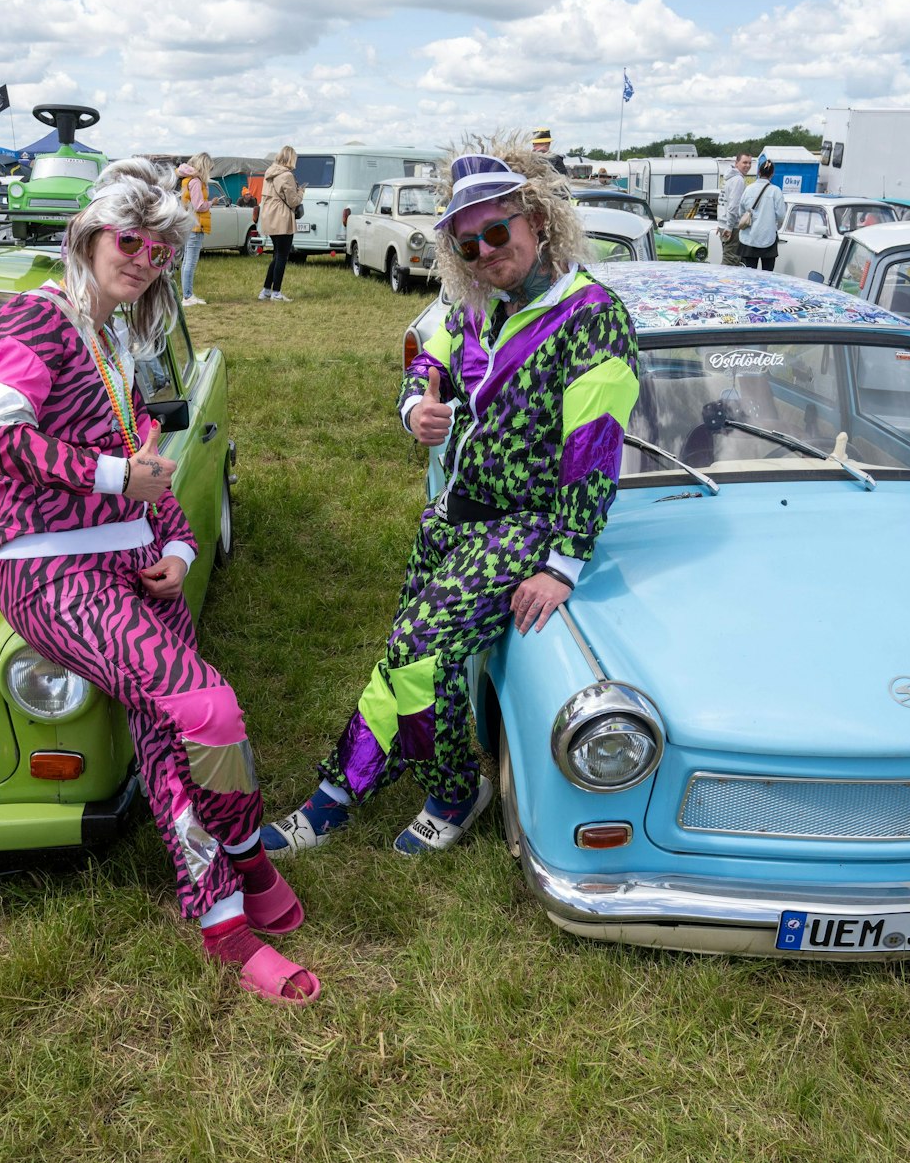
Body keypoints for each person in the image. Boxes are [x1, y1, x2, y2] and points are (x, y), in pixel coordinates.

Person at [0, 158, 320, 1004]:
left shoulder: (119, 339)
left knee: (168, 737)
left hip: (130, 565)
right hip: (50, 572)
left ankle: (222, 919)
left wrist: (183, 550)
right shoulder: (35, 322)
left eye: (159, 250)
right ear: (89, 236)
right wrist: (118, 478)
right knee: (209, 711)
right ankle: (248, 857)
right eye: (130, 241)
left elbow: (152, 475)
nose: (144, 260)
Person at [262, 137, 640, 857]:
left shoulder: (591, 315)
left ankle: (445, 787)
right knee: (400, 658)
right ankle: (338, 792)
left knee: (418, 655)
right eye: (468, 245)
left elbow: (593, 452)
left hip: (520, 527)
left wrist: (562, 562)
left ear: (536, 222)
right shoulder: (474, 306)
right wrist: (416, 412)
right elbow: (424, 370)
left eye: (498, 232)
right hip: (452, 520)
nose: (487, 252)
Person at [258, 145, 302, 302]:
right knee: (282, 256)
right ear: (291, 158)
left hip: (270, 218)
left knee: (277, 256)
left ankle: (266, 291)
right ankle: (276, 292)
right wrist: (301, 192)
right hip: (282, 219)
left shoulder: (269, 173)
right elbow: (293, 201)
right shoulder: (287, 175)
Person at [735, 158, 786, 271]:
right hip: (768, 237)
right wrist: (774, 225)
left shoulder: (748, 189)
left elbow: (740, 211)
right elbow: (781, 215)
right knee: (767, 274)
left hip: (749, 237)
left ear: (758, 172)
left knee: (748, 273)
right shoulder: (775, 191)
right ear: (772, 174)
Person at [177, 152, 214, 306]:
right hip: (196, 225)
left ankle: (187, 294)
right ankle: (187, 296)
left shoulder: (187, 180)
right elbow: (199, 205)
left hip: (188, 223)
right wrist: (211, 203)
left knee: (187, 260)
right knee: (191, 262)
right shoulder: (196, 182)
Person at [718, 152, 754, 266]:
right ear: (736, 163)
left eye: (749, 163)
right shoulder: (738, 180)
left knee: (728, 256)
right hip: (732, 227)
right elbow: (733, 206)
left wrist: (721, 223)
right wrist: (729, 226)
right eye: (744, 162)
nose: (747, 165)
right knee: (730, 260)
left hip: (724, 224)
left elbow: (723, 201)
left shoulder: (728, 178)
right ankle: (722, 282)